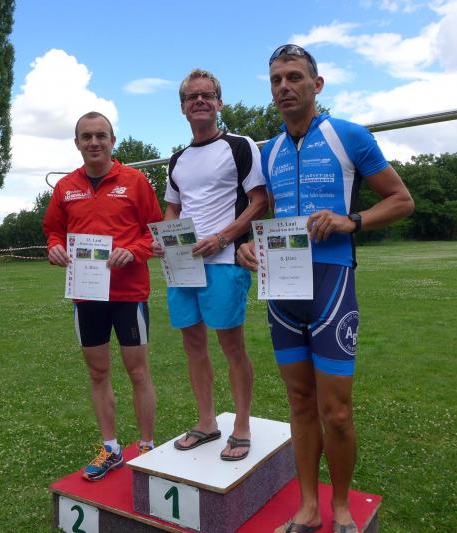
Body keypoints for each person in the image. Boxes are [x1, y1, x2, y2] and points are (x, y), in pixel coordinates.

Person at [237, 45, 414, 533]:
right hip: (283, 291)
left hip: (332, 286)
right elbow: (266, 219)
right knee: (298, 402)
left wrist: (351, 220)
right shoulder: (268, 152)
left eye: (294, 77)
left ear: (317, 84)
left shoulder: (348, 136)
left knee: (335, 412)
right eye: (276, 80)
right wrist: (248, 248)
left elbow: (401, 200)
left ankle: (340, 507)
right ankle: (308, 506)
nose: (284, 87)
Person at [43, 111, 163, 481]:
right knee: (98, 372)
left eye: (100, 136)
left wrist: (134, 251)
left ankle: (147, 448)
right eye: (86, 137)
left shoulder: (135, 181)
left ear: (113, 141)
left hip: (128, 293)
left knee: (138, 371)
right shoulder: (65, 187)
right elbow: (53, 232)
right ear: (77, 143)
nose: (94, 142)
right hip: (86, 294)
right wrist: (54, 248)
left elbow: (155, 232)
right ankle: (111, 448)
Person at [156, 69, 268, 461]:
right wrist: (165, 238)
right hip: (183, 266)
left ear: (219, 103)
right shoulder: (177, 159)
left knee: (232, 346)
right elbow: (173, 208)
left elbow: (259, 201)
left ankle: (242, 426)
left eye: (207, 95)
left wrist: (222, 238)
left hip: (223, 260)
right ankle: (206, 422)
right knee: (193, 345)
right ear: (183, 108)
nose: (200, 101)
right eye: (192, 97)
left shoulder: (240, 146)